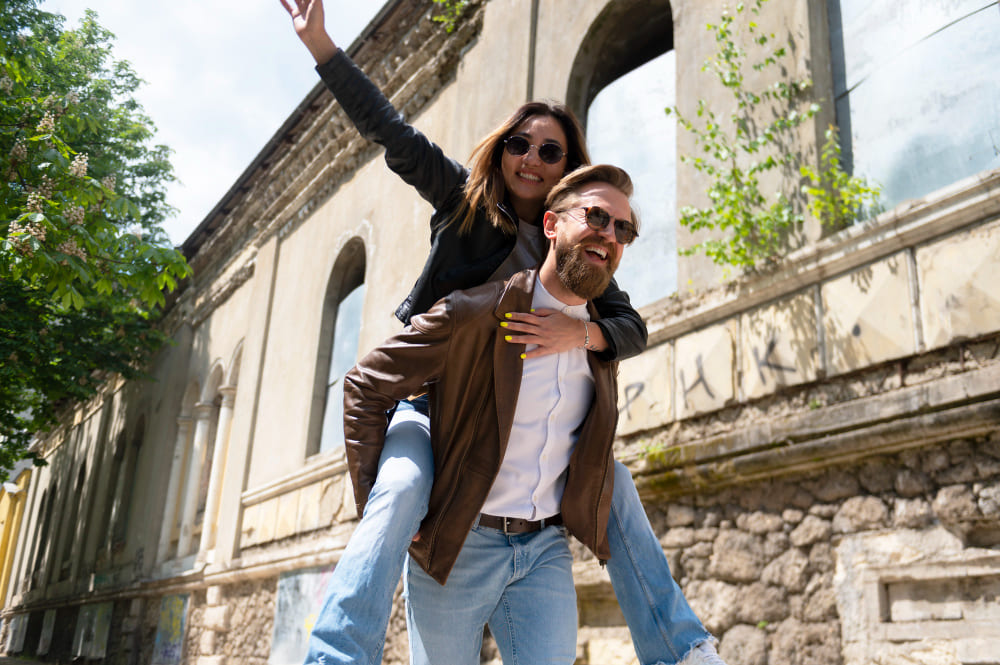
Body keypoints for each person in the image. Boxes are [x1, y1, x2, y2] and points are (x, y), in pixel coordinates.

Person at [279, 1, 725, 664]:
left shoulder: (582, 252)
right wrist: (322, 48)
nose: (531, 158)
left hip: (513, 453)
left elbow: (632, 325)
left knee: (619, 480)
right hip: (430, 402)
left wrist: (583, 337)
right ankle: (337, 653)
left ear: (566, 169)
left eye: (551, 151)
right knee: (401, 488)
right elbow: (392, 135)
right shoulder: (466, 201)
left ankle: (683, 650)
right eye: (519, 143)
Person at [344, 164, 639, 664]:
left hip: (544, 550)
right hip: (462, 546)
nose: (608, 234)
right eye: (595, 216)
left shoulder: (600, 338)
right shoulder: (477, 312)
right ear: (550, 225)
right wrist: (384, 503)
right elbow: (367, 384)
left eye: (622, 228)